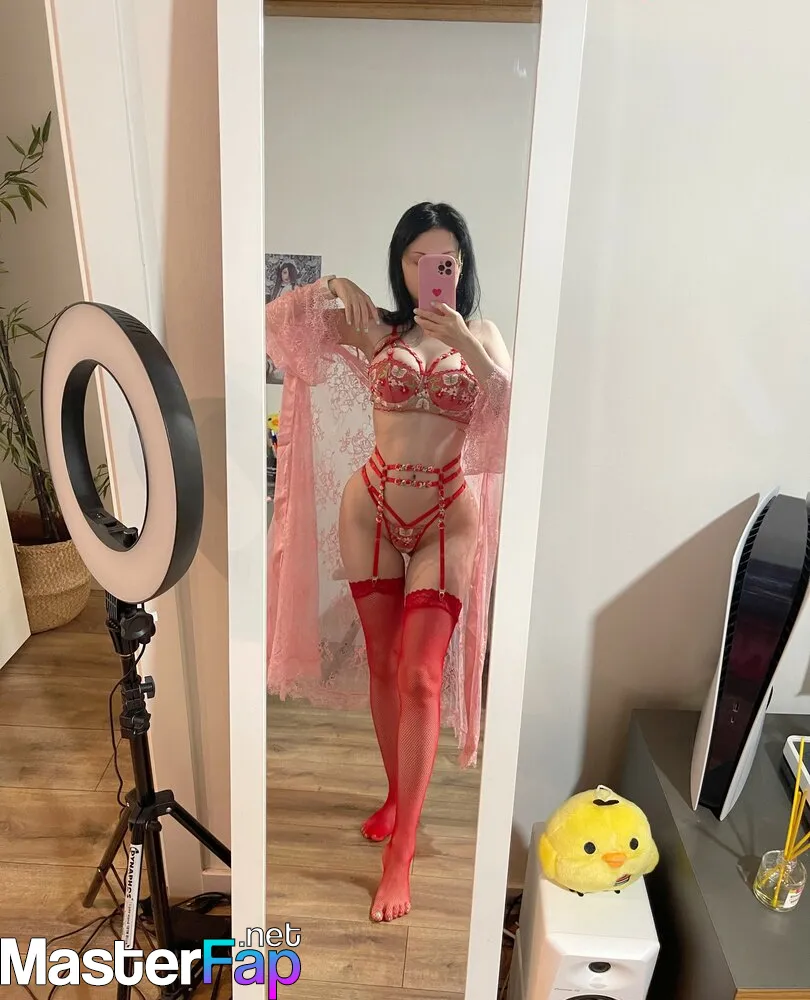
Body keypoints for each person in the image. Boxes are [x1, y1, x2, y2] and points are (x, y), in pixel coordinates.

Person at [265, 202, 511, 924]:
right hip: (371, 507)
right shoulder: (376, 330)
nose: (430, 271)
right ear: (401, 264)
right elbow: (277, 327)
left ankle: (401, 852)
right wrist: (328, 288)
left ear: (461, 266)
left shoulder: (484, 337)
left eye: (445, 260)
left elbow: (509, 419)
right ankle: (398, 795)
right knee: (382, 664)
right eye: (415, 258)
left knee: (422, 676)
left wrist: (465, 345)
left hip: (446, 516)